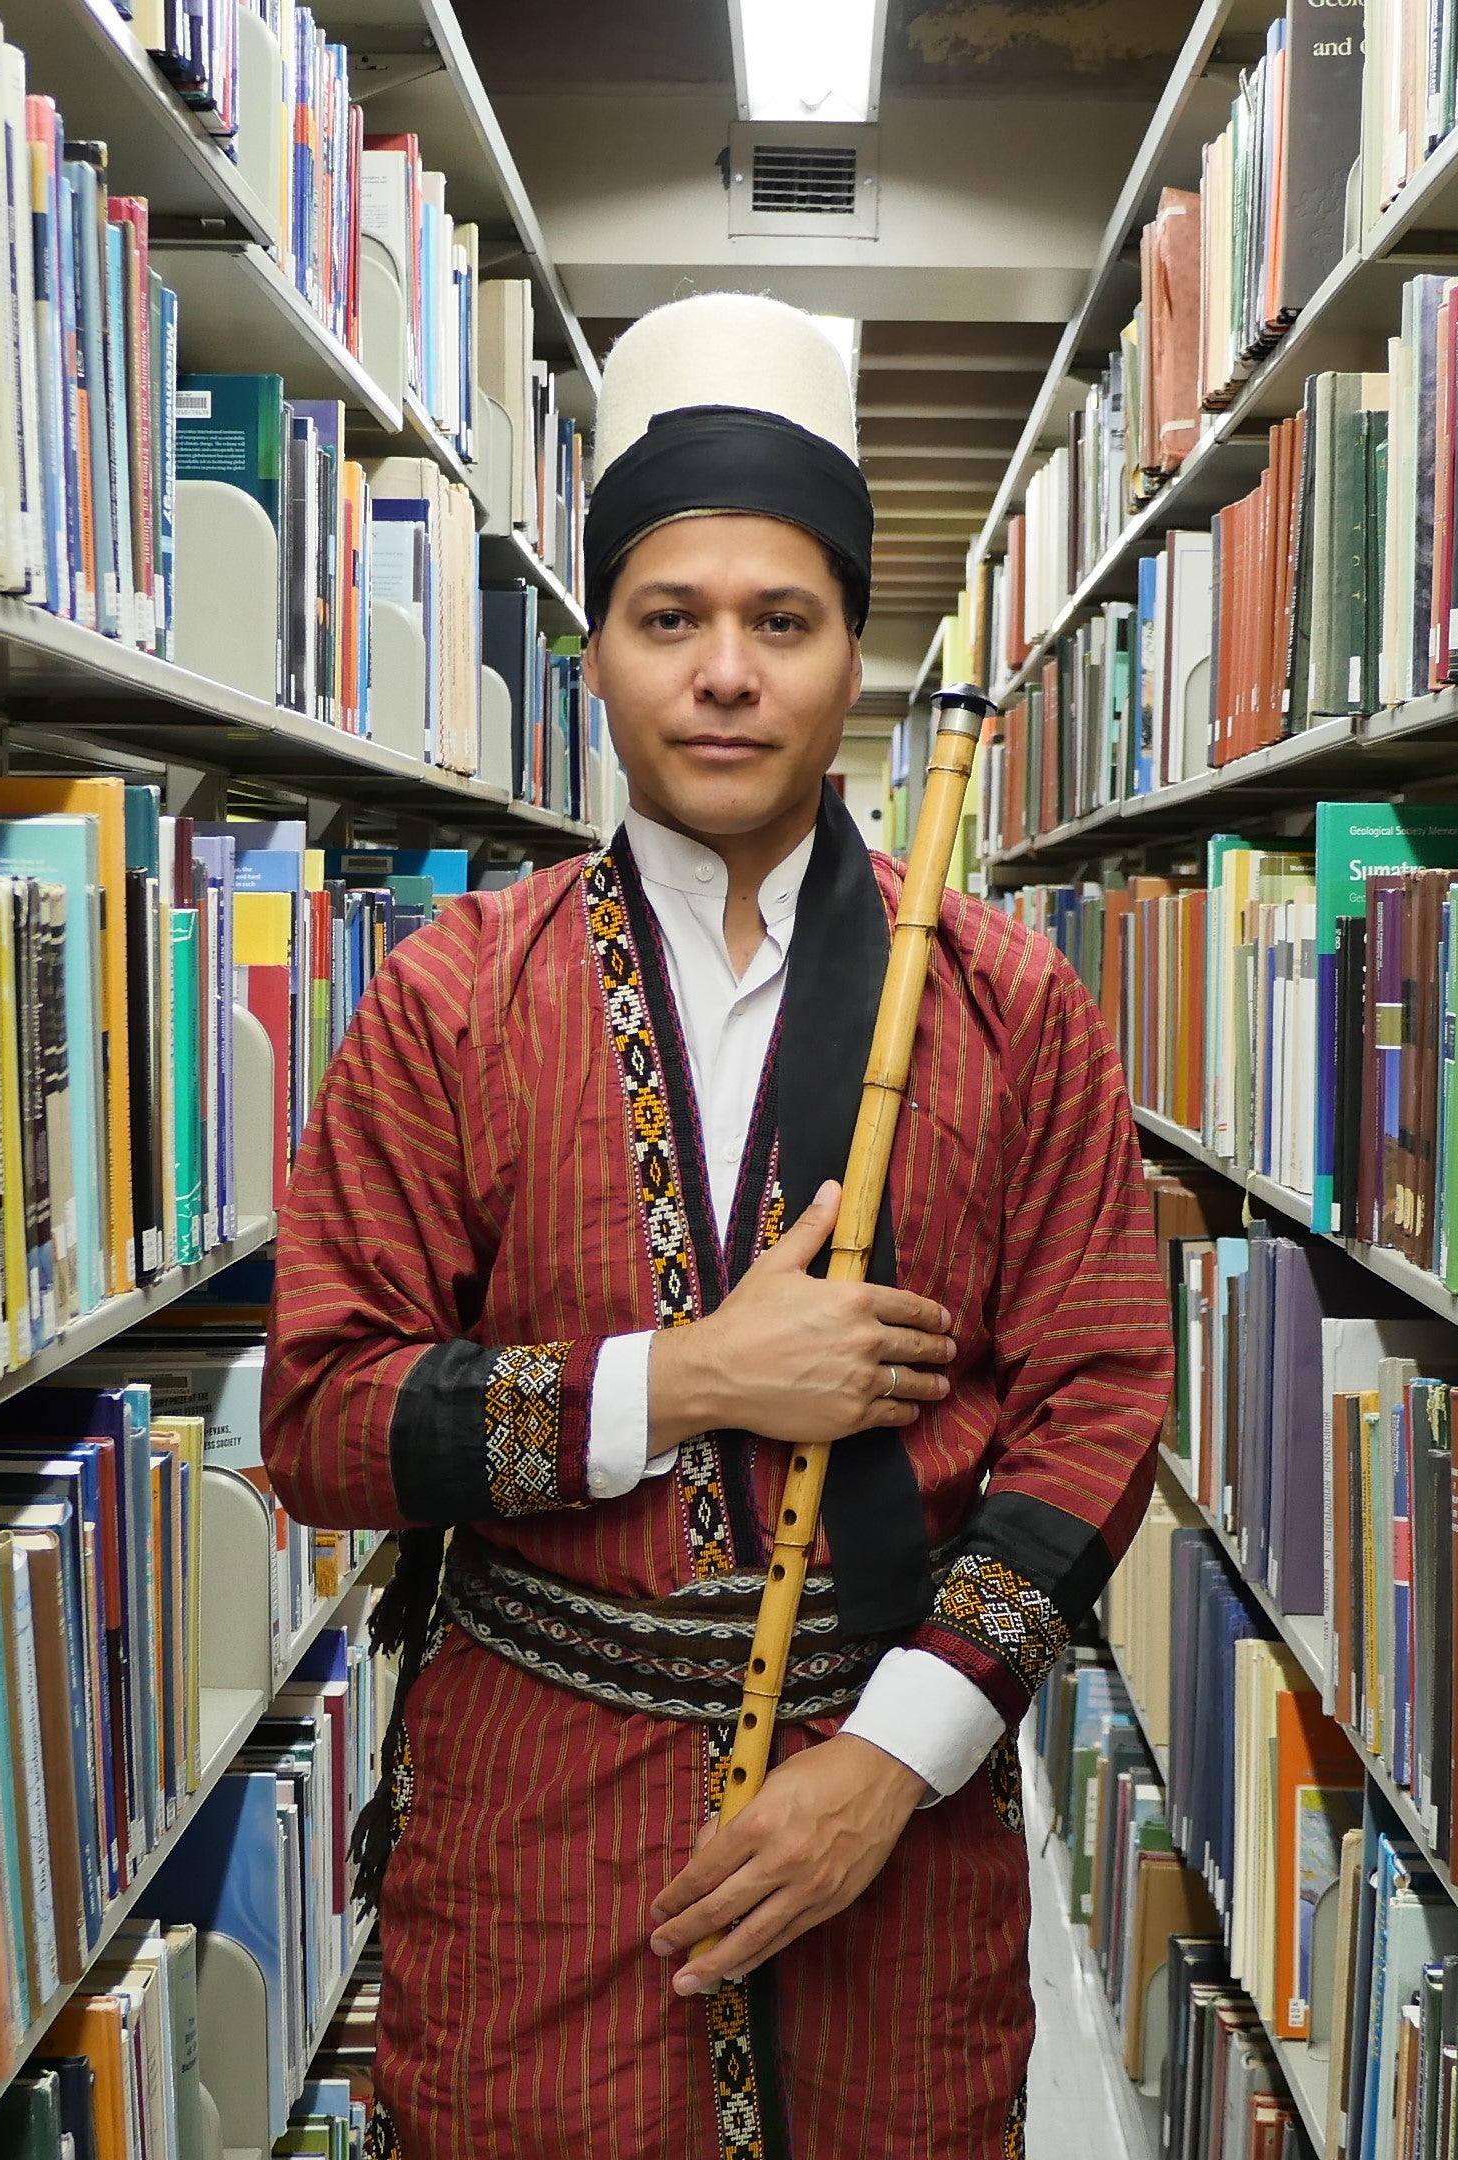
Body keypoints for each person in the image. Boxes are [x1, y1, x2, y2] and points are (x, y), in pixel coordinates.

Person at [259, 292, 1171, 2157]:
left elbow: (1100, 1404)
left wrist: (893, 1763)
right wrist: (683, 1380)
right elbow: (328, 1418)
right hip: (534, 1826)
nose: (727, 674)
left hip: (890, 1834)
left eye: (784, 622)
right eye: (671, 621)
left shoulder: (1013, 1006)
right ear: (594, 657)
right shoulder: (451, 996)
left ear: (858, 661)